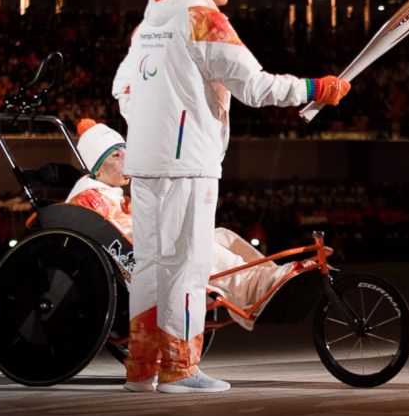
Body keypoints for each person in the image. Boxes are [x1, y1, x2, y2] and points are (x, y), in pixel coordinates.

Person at [112, 0, 350, 394]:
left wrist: (152, 125)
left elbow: (122, 88)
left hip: (144, 161)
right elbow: (255, 86)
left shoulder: (150, 23)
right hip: (187, 164)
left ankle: (142, 369)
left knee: (151, 264)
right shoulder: (203, 17)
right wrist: (315, 88)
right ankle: (180, 369)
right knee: (187, 263)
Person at [66, 119, 294, 332]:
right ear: (95, 168)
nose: (127, 161)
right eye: (116, 156)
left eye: (127, 153)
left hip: (149, 252)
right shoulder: (89, 198)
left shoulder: (114, 196)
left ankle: (268, 277)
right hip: (139, 268)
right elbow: (128, 237)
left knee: (221, 235)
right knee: (194, 241)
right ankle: (256, 287)